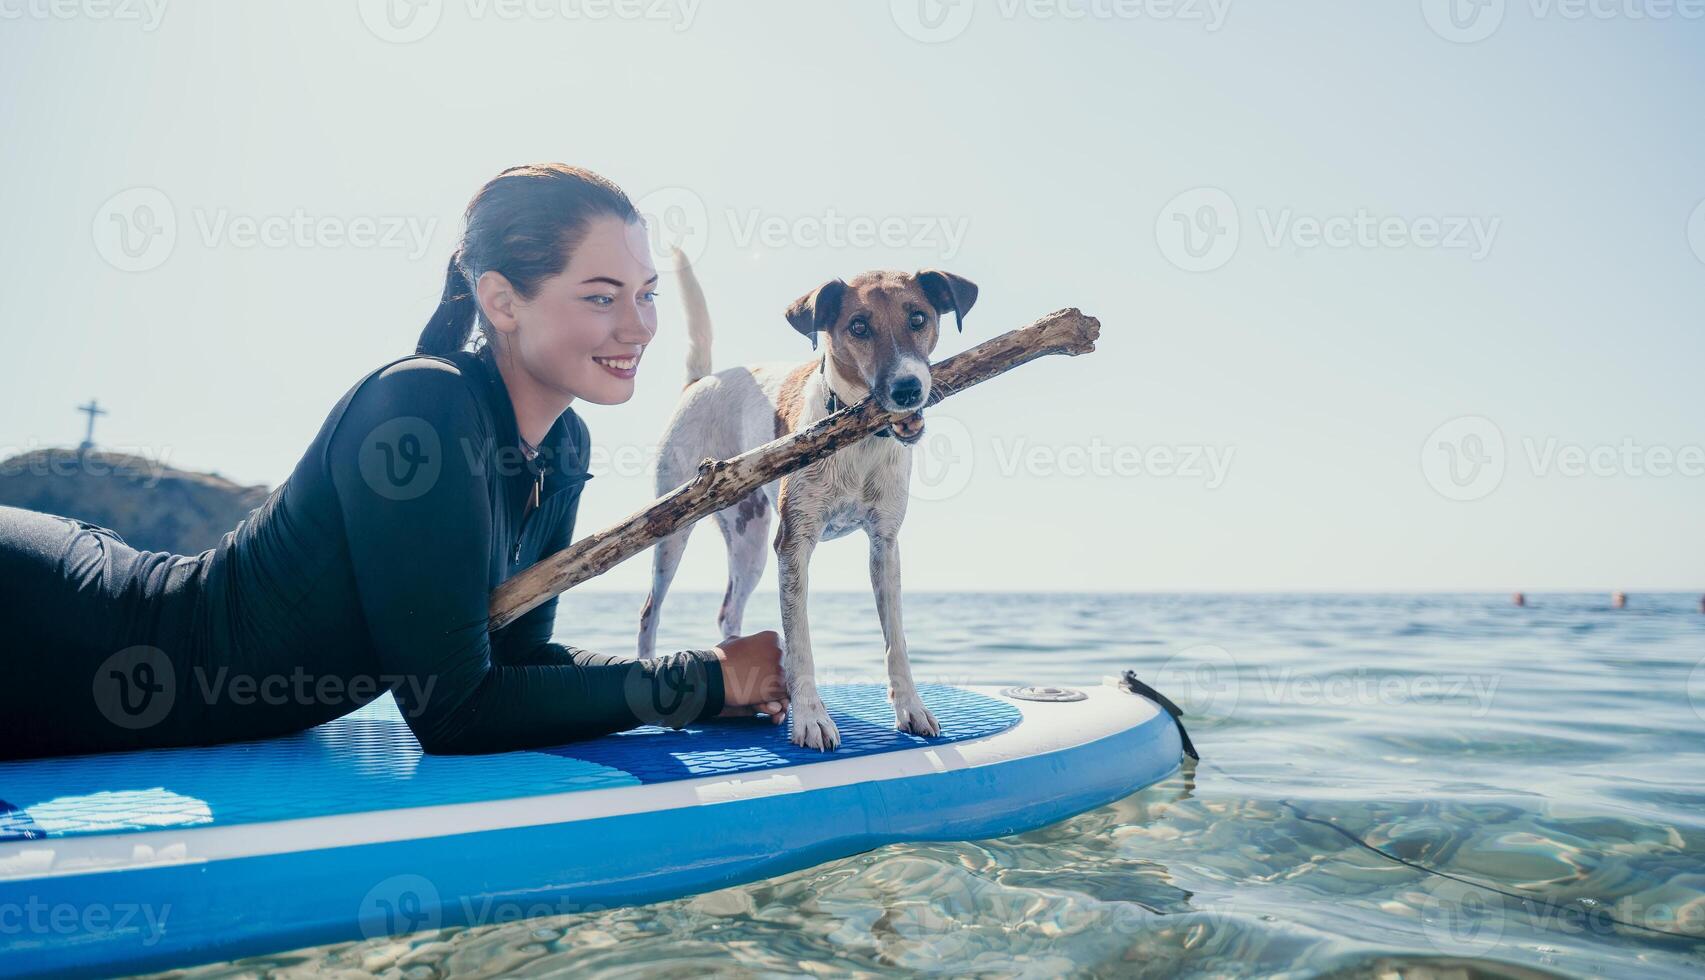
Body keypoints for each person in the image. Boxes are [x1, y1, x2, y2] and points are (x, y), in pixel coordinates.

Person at [0, 164, 788, 761]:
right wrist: (705, 679)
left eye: (647, 294)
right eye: (600, 296)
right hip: (56, 630)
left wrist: (698, 683)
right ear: (502, 301)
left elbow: (515, 660)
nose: (638, 326)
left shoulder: (563, 445)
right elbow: (452, 713)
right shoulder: (422, 409)